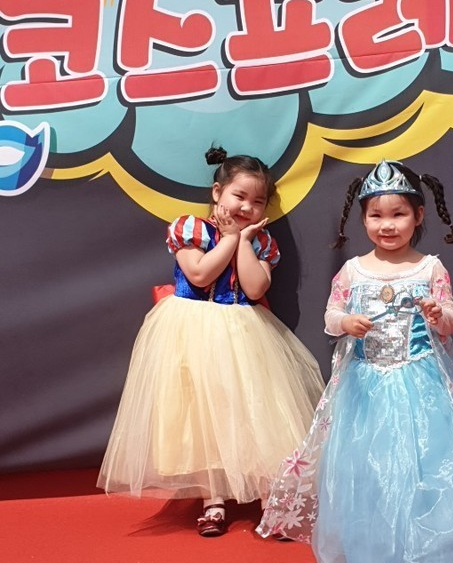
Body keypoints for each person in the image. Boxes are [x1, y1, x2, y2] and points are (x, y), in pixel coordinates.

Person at [258, 160, 453, 563]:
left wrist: (438, 314)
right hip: (365, 388)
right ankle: (369, 554)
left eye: (398, 214)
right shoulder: (352, 270)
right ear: (363, 219)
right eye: (376, 215)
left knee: (424, 468)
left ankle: (432, 555)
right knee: (368, 470)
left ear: (419, 216)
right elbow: (331, 314)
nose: (387, 225)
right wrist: (345, 322)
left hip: (421, 385)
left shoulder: (430, 269)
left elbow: (451, 322)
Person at [98, 146, 325, 536]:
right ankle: (212, 499)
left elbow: (255, 288)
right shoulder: (191, 229)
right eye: (239, 196)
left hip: (243, 329)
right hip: (192, 328)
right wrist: (230, 238)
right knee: (200, 415)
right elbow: (200, 274)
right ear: (218, 192)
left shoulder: (261, 241)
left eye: (258, 201)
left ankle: (271, 499)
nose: (247, 207)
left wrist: (244, 241)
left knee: (254, 409)